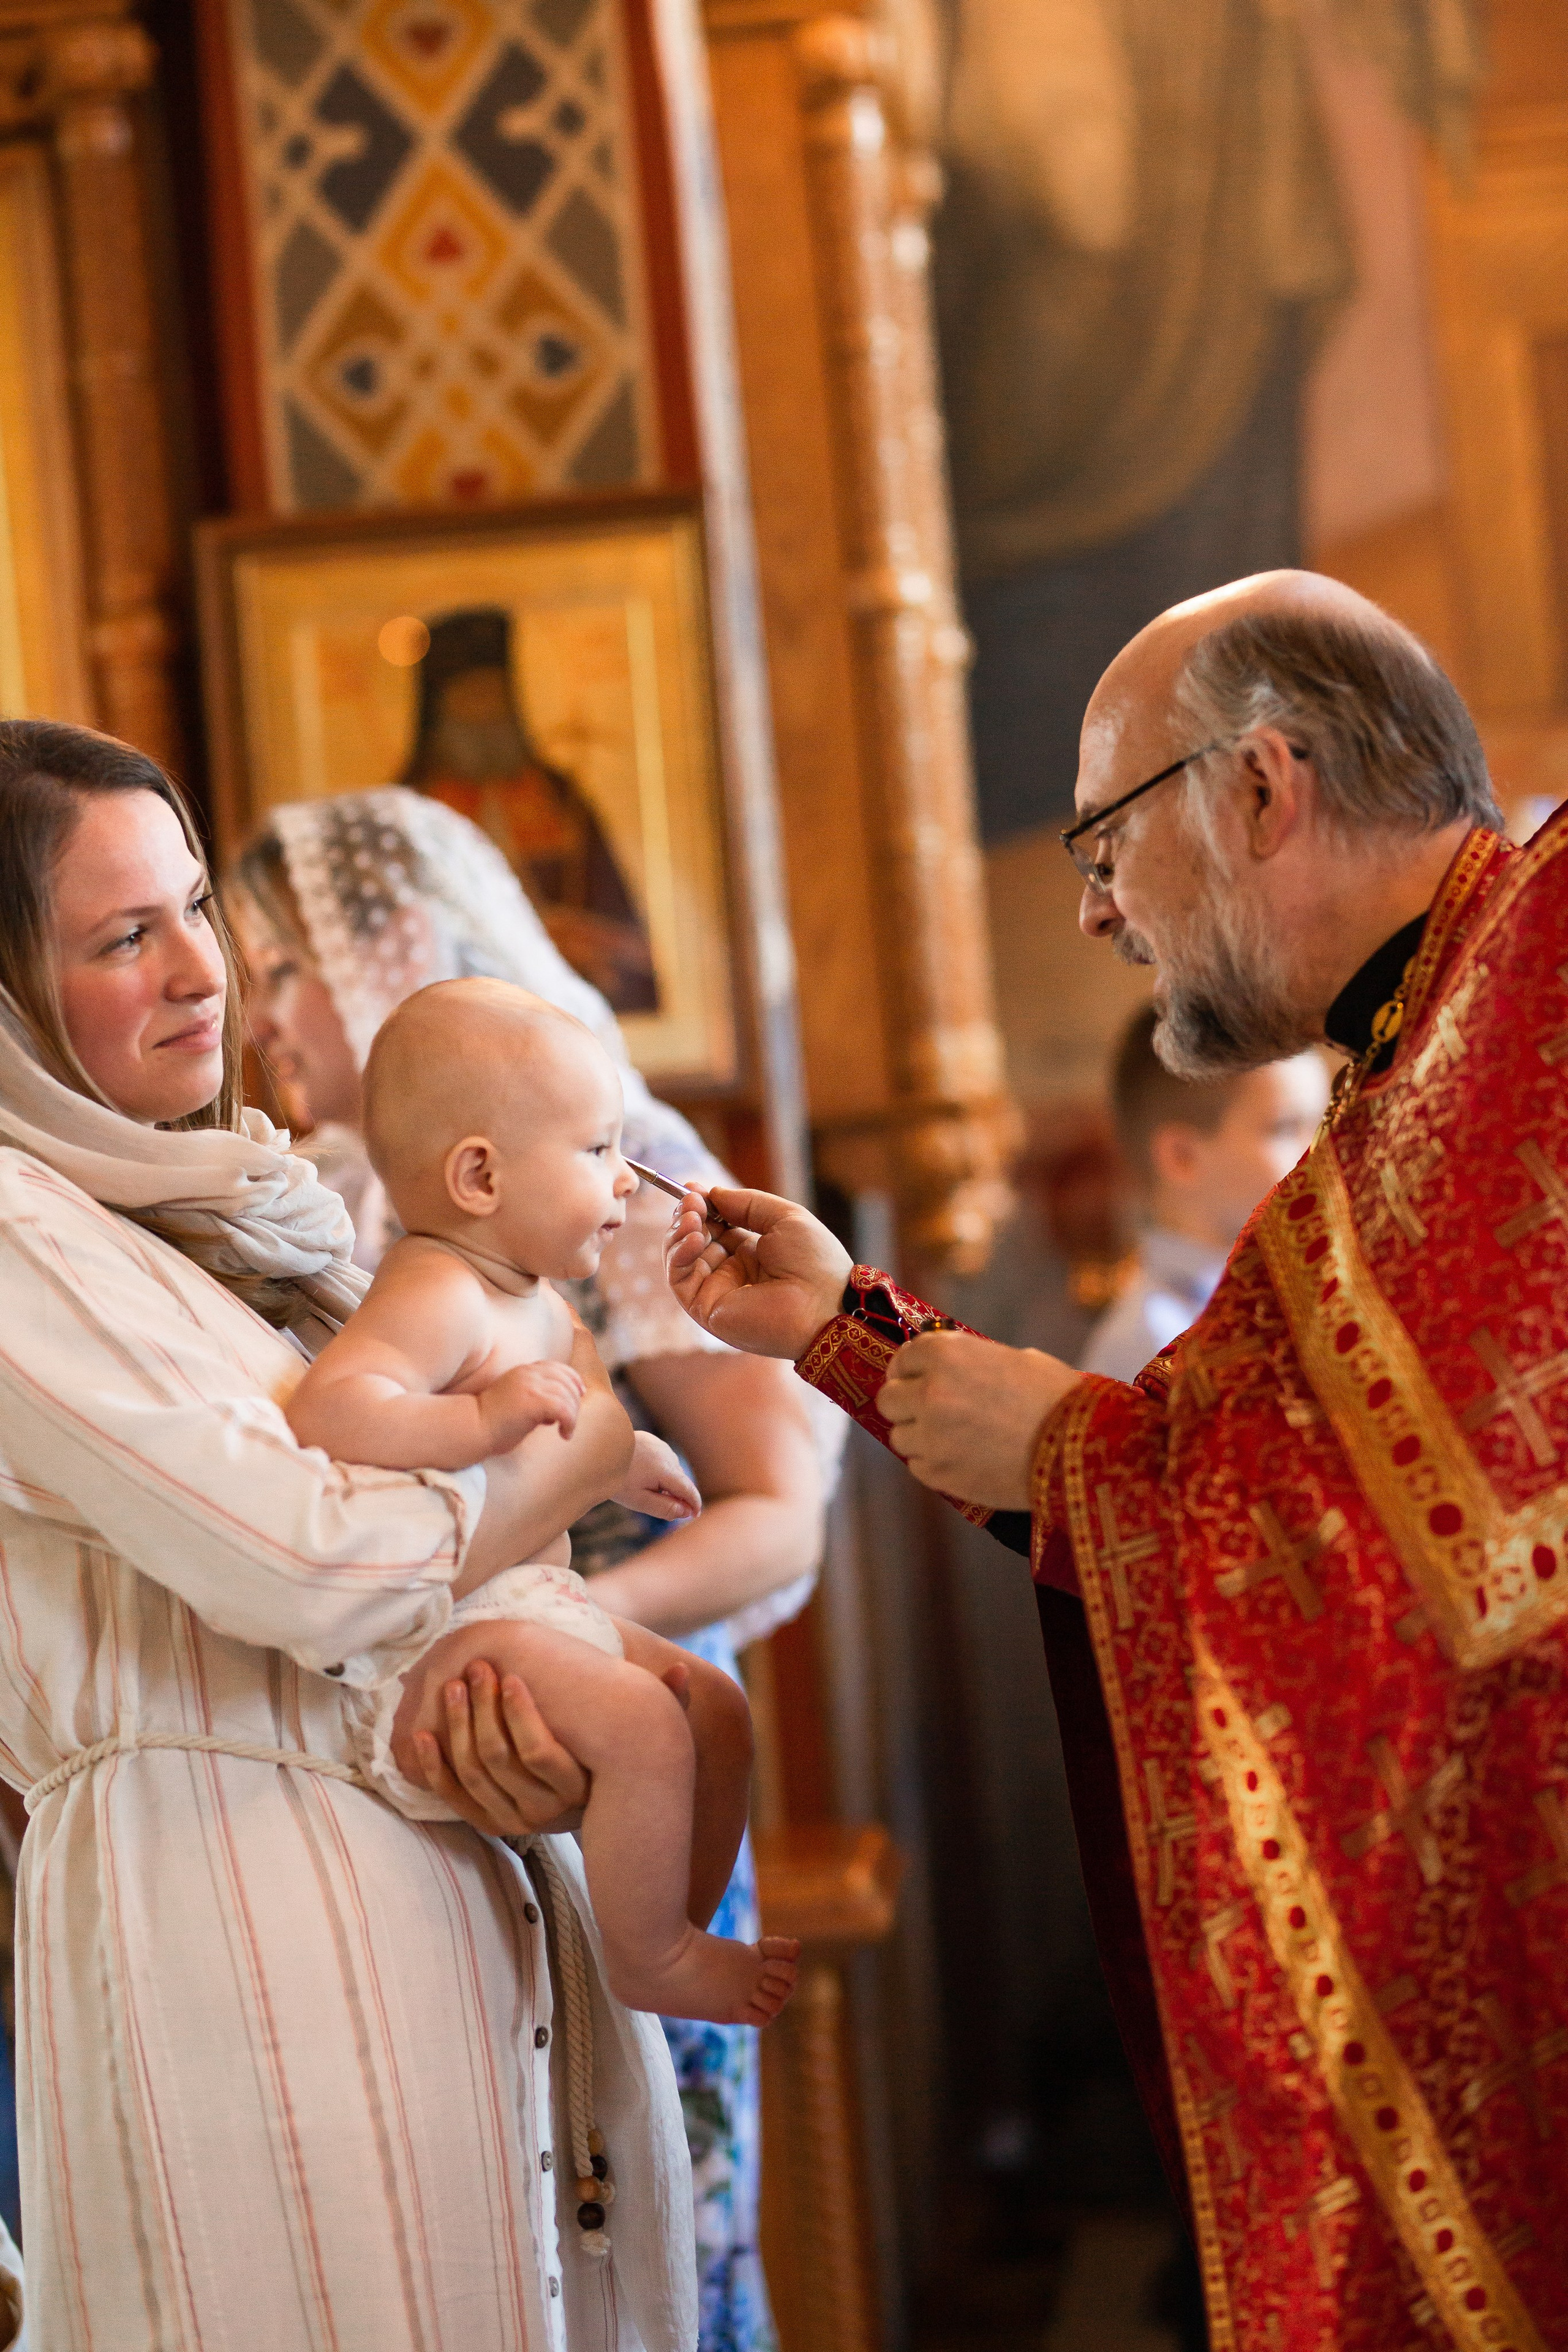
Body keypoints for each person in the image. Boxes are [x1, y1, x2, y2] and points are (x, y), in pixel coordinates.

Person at [662, 572, 1568, 2348]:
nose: (1091, 911)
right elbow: (1215, 1469)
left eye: (1106, 842)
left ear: (1261, 786)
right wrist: (848, 1327)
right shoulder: (1395, 1106)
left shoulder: (1535, 980)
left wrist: (1083, 1461)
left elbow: (1479, 1558)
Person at [0, 717, 699, 2351]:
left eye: (192, 910)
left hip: (447, 1887)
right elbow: (311, 1560)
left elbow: (399, 1548)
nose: (200, 973)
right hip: (248, 1930)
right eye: (122, 938)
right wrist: (582, 1449)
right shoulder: (15, 1229)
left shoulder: (215, 1202)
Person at [230, 786, 837, 2352]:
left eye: (277, 964)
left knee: (653, 2214)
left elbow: (772, 1506)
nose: (261, 1009)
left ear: (388, 948)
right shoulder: (332, 1199)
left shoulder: (612, 1177)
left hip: (594, 1715)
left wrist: (563, 1639)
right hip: (436, 1754)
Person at [289, 981, 799, 2025]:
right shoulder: (436, 1289)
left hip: (531, 1603)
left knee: (716, 1707)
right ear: (480, 1175)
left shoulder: (534, 1294)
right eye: (596, 1152)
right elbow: (335, 1412)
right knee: (650, 1727)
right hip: (449, 1632)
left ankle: (670, 1934)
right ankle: (649, 1956)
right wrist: (482, 1426)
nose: (627, 1181)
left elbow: (567, 1429)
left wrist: (623, 1459)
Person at [402, 608, 659, 1012]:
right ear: (439, 711)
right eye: (469, 698)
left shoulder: (557, 796)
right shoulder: (411, 806)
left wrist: (581, 936)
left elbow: (623, 930)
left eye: (494, 695)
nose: (485, 712)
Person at [1081, 1003, 1327, 1381]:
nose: (1323, 1152)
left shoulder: (1295, 1288)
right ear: (1181, 1158)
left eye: (1324, 1122)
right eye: (1285, 1128)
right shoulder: (1150, 1353)